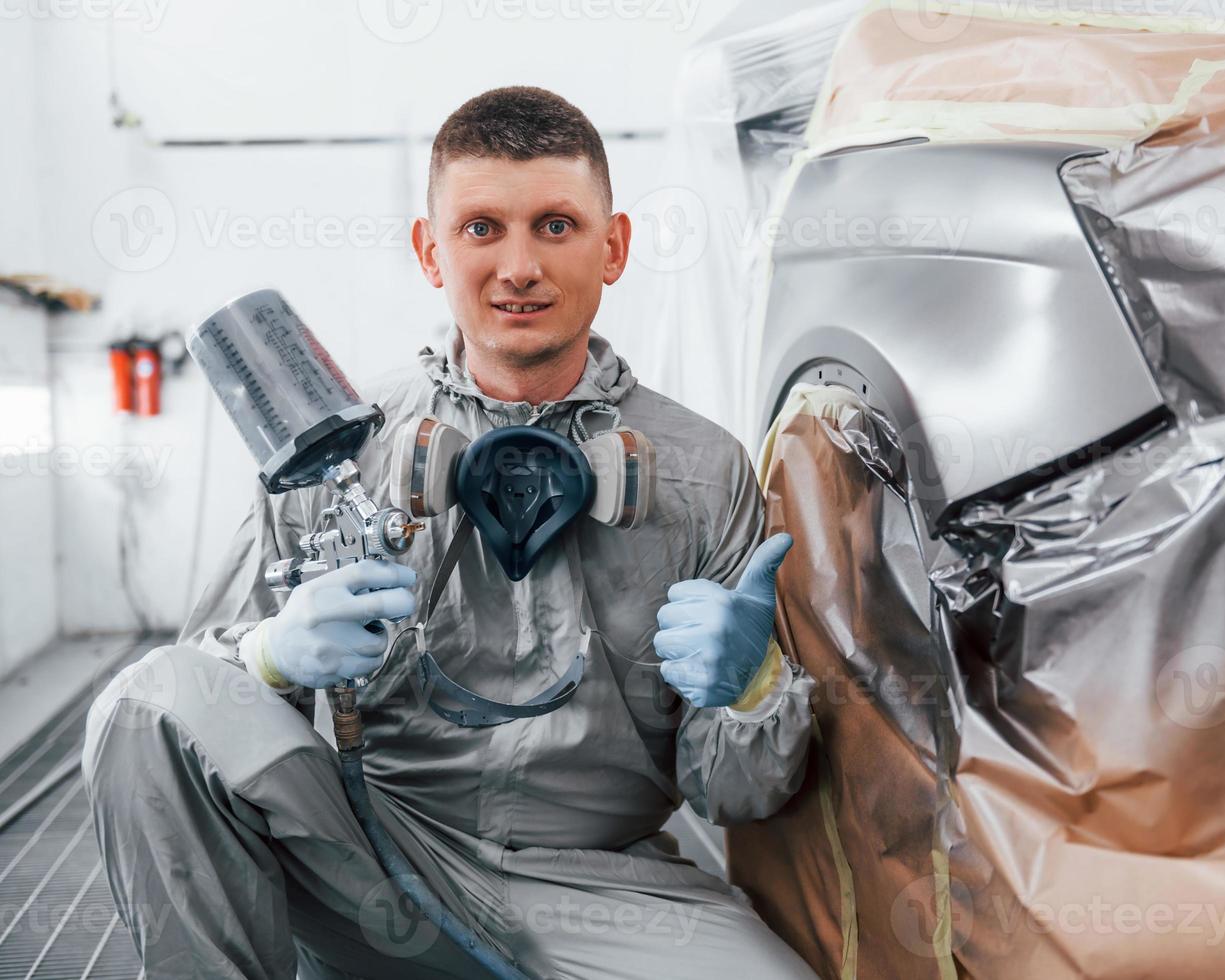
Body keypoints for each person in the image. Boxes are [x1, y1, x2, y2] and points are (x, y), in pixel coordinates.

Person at [82, 86, 818, 980]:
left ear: (613, 246)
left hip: (605, 890)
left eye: (555, 225)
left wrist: (752, 691)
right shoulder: (336, 452)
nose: (518, 267)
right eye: (480, 229)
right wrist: (271, 656)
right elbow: (190, 702)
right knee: (151, 696)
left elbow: (731, 795)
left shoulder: (703, 469)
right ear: (430, 251)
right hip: (363, 856)